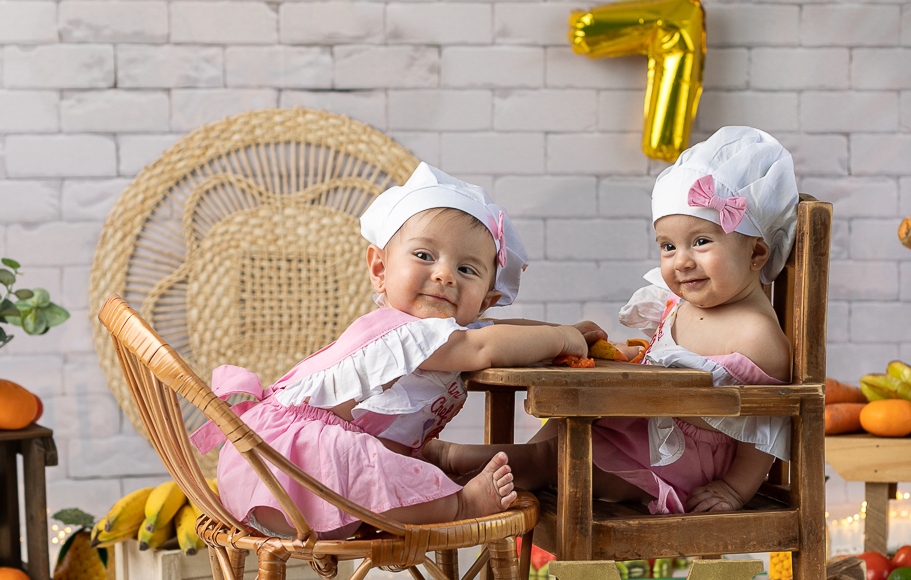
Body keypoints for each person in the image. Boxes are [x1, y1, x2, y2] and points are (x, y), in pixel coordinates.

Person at [190, 163, 589, 539]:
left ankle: (501, 463)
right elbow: (483, 345)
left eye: (467, 269)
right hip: (294, 475)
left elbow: (493, 333)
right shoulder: (406, 332)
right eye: (424, 255)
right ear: (380, 270)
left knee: (403, 459)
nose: (444, 274)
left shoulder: (437, 334)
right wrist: (563, 340)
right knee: (376, 463)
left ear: (486, 300)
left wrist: (561, 331)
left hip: (274, 483)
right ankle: (461, 506)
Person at [427, 126, 798, 516]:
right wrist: (623, 357)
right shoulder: (677, 303)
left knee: (560, 455)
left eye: (701, 242)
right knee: (564, 427)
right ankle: (485, 467)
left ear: (757, 253)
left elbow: (767, 426)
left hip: (682, 462)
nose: (682, 261)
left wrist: (735, 489)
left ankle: (457, 461)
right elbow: (661, 366)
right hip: (641, 424)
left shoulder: (757, 335)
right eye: (668, 246)